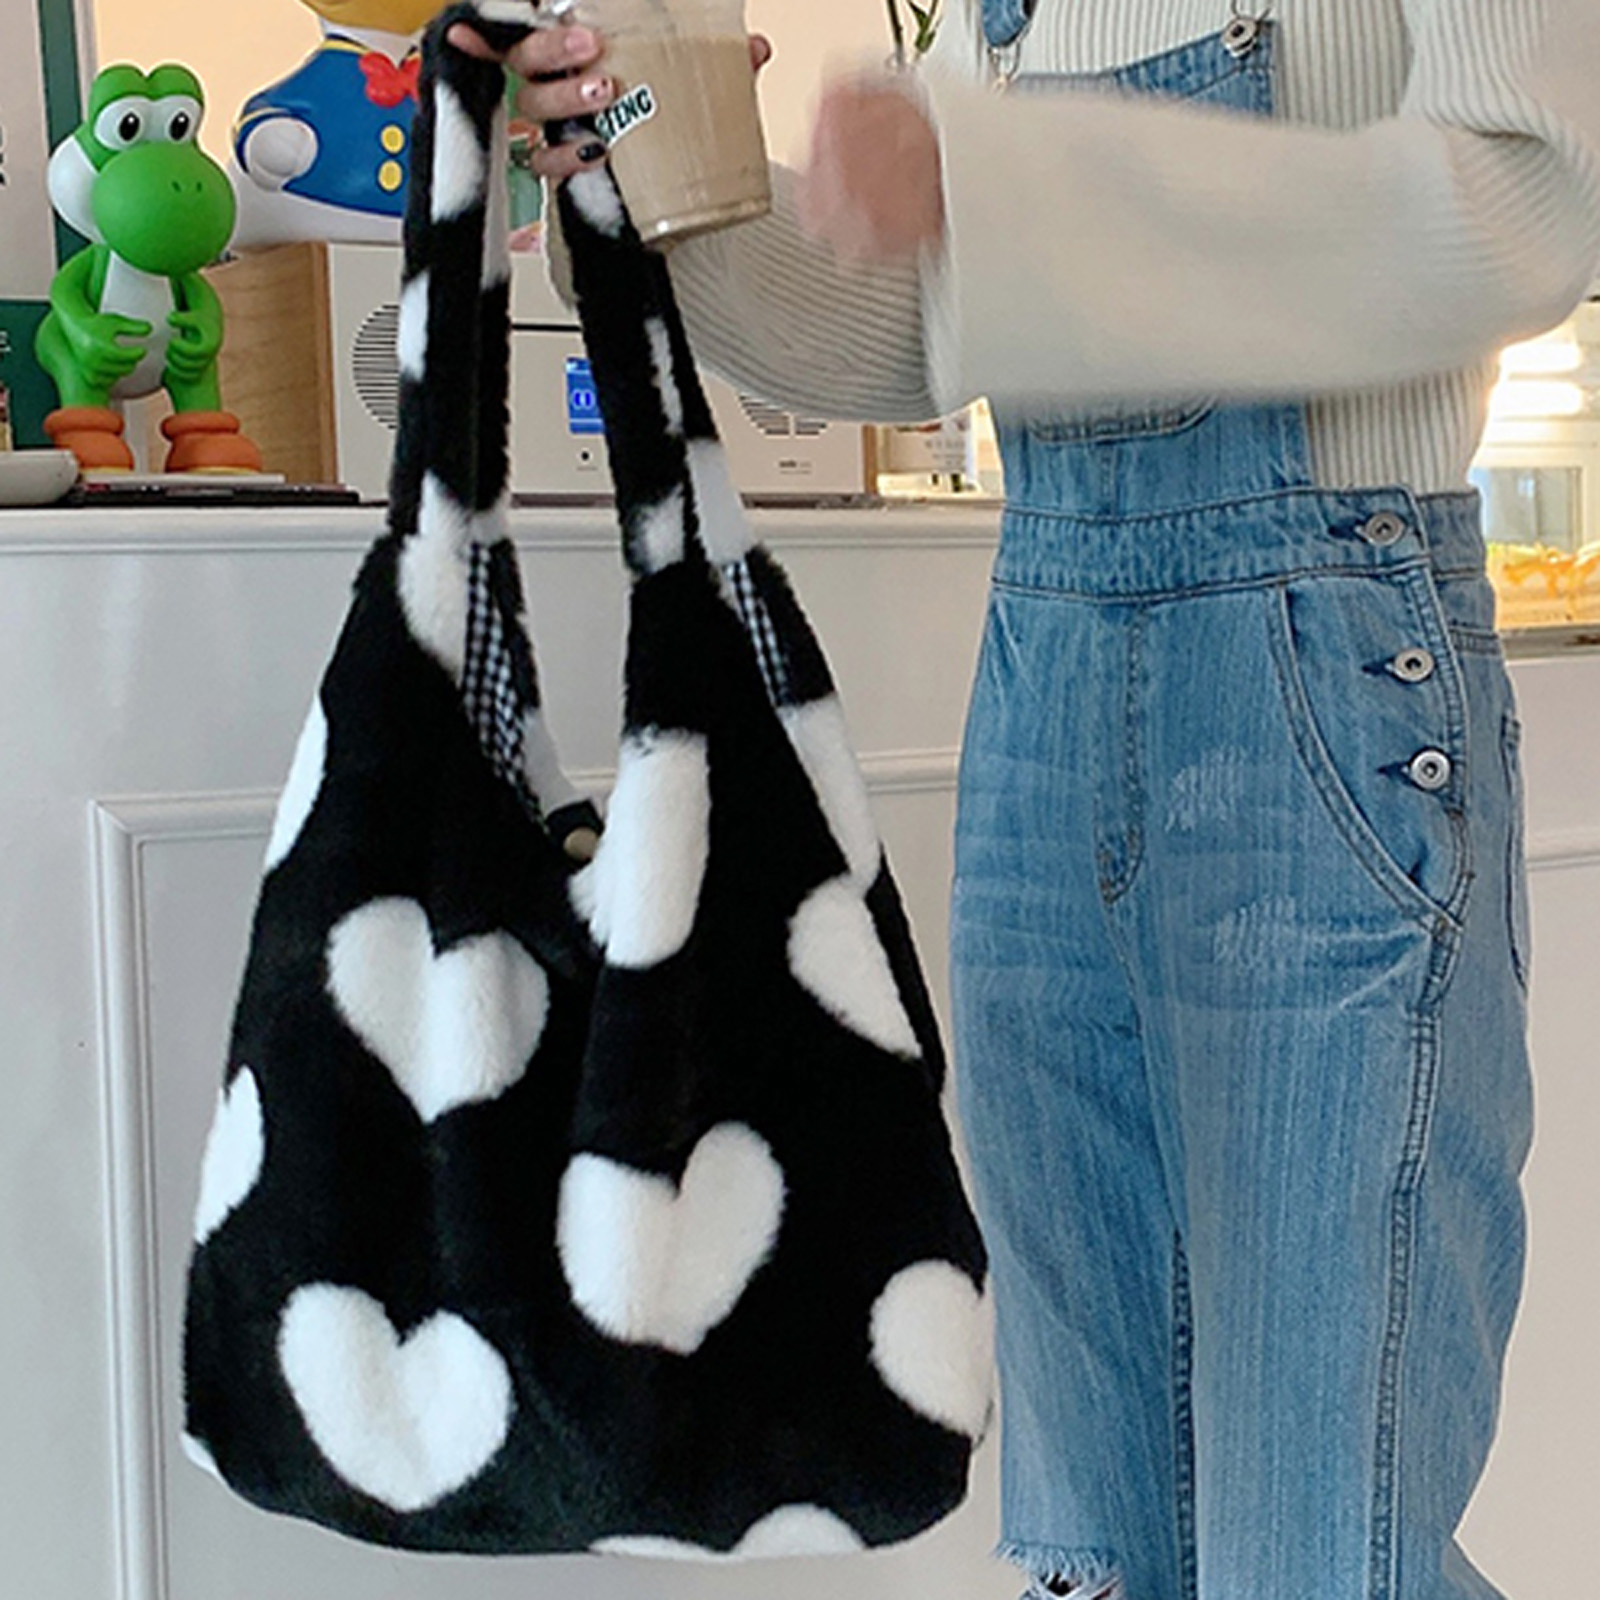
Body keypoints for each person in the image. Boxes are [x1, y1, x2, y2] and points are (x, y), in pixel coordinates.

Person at [462, 3, 1600, 1596]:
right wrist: (644, 178)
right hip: (1052, 662)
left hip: (1322, 664)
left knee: (1325, 1541)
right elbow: (933, 326)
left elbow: (1528, 200)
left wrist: (1006, 176)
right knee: (1097, 1538)